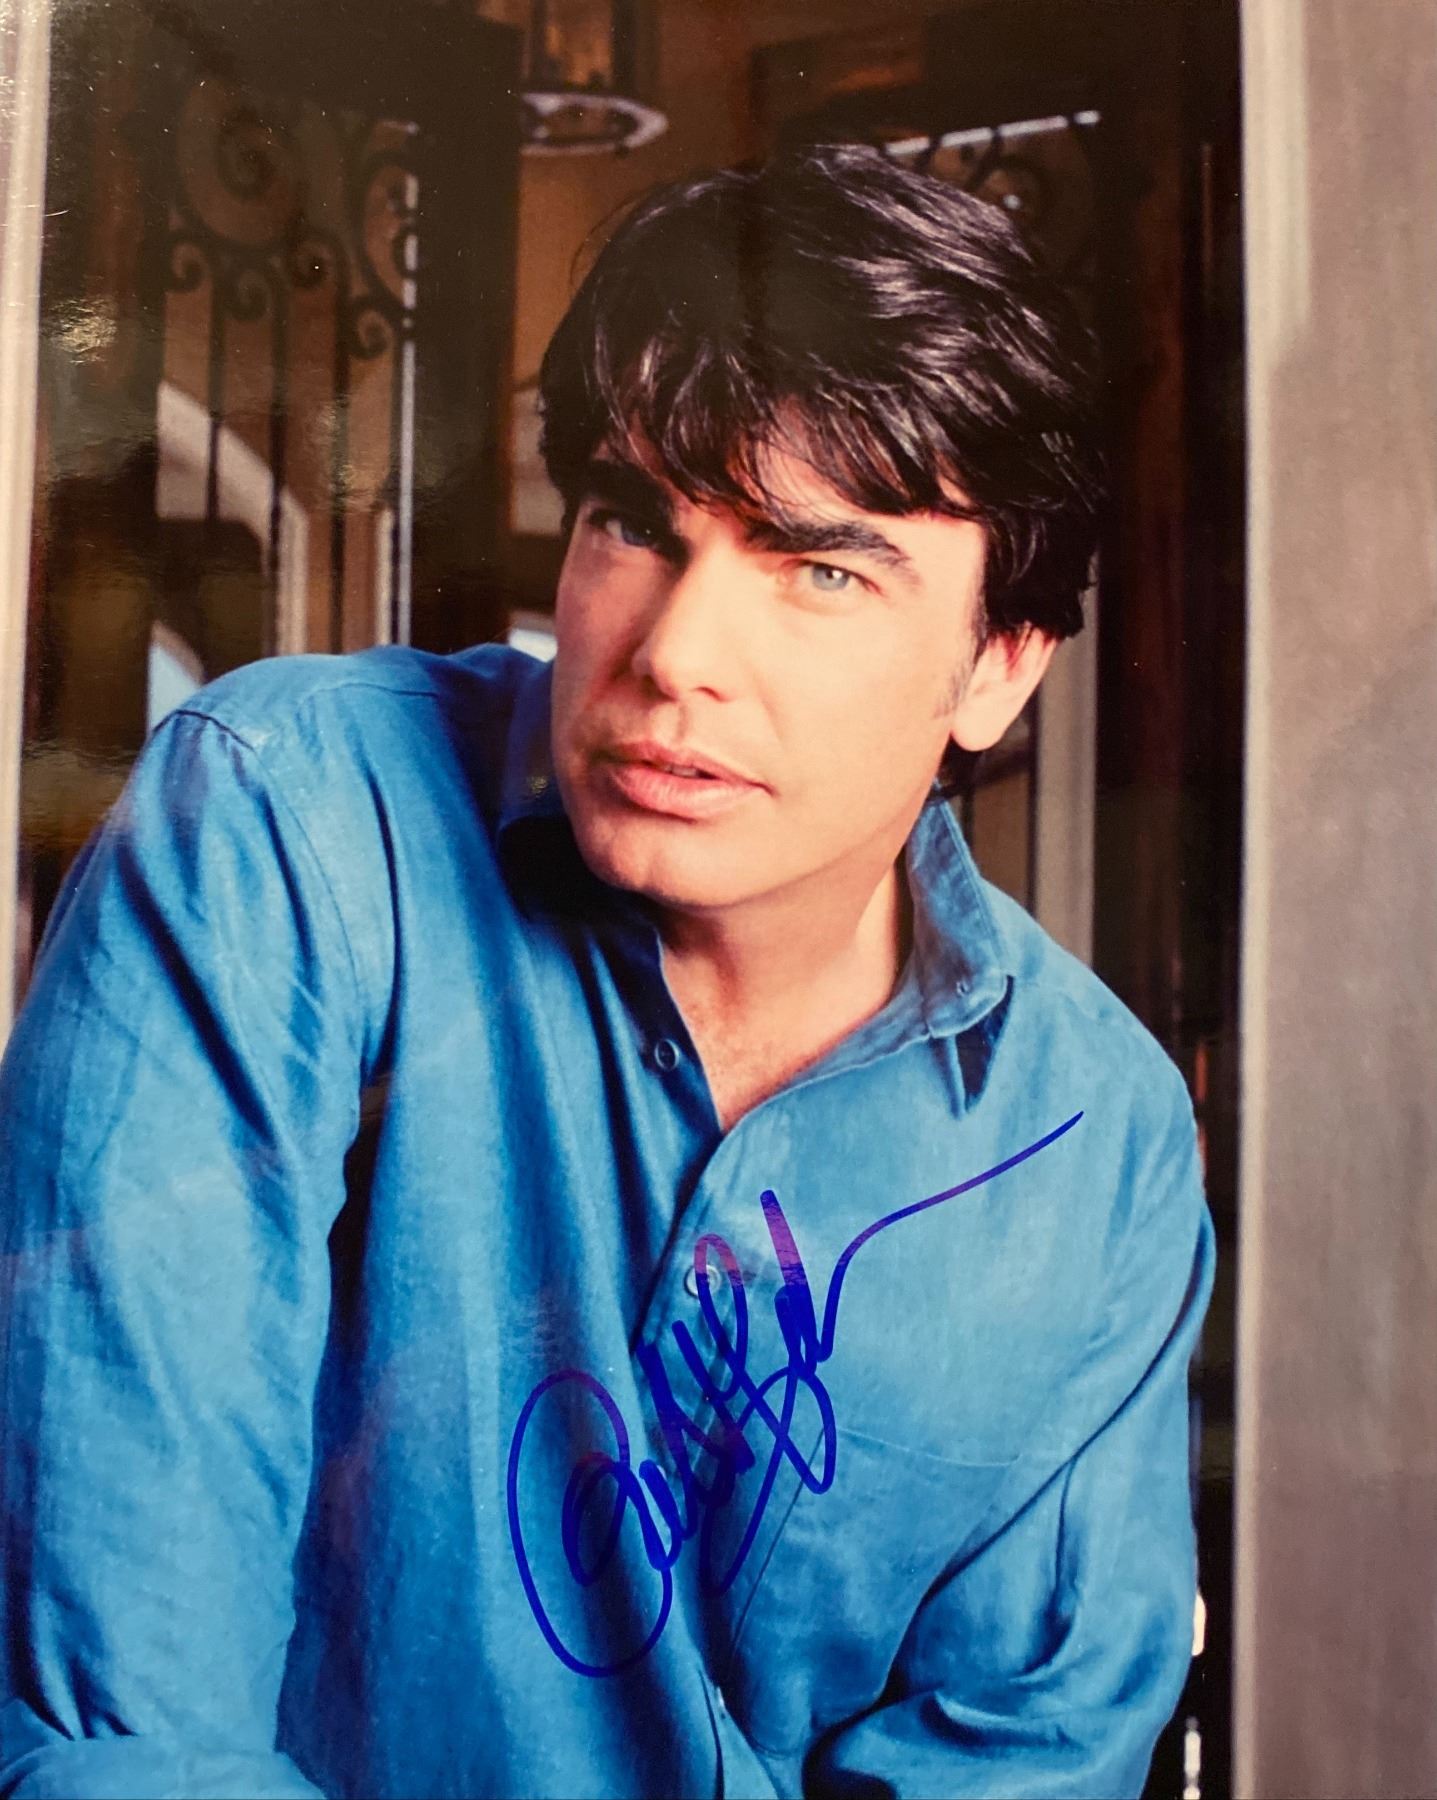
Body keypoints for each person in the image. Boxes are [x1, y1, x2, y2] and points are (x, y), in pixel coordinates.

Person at [0, 143, 1212, 1800]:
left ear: (998, 664)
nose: (674, 654)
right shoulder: (292, 820)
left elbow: (1023, 1756)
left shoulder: (1095, 1143)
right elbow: (123, 1722)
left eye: (821, 567)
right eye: (633, 523)